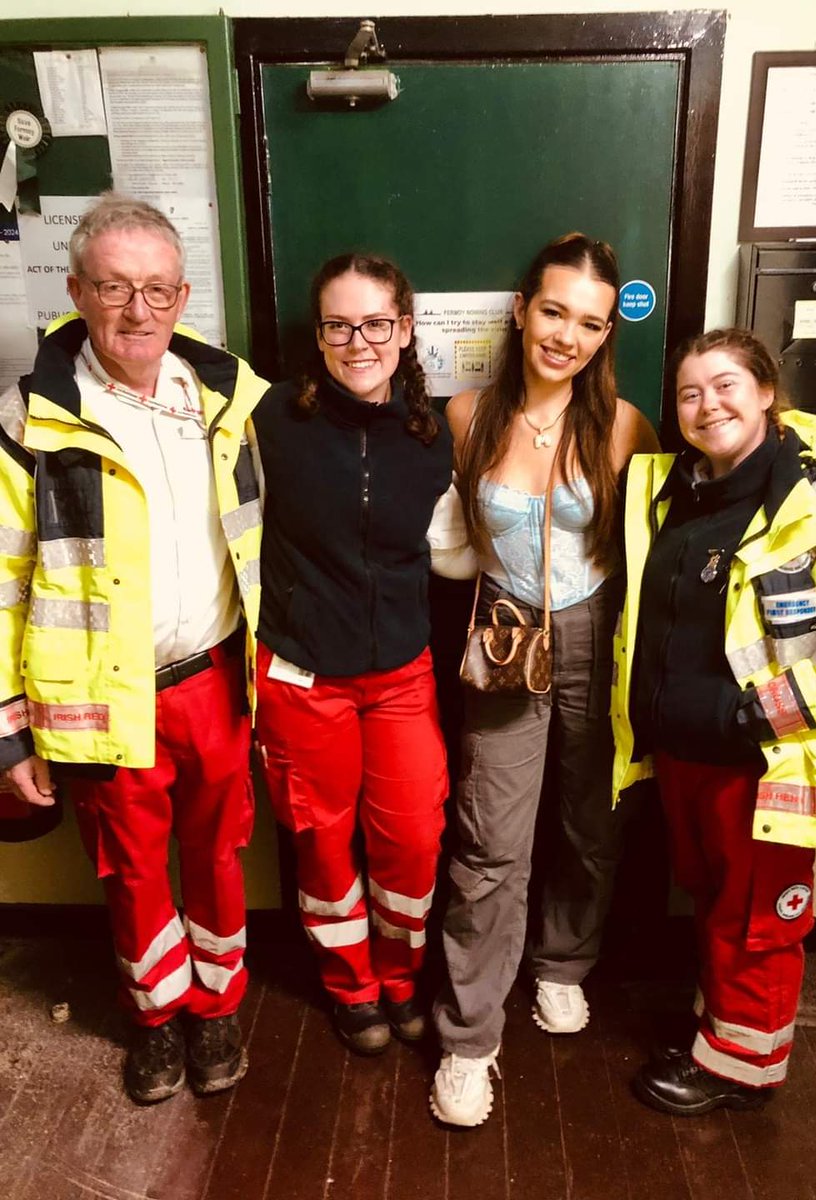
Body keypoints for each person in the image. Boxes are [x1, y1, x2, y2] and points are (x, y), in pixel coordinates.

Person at [0, 194, 270, 1104]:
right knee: (130, 868)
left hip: (218, 683)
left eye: (157, 288)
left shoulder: (230, 396)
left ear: (184, 294)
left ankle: (218, 1006)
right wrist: (8, 735)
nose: (137, 309)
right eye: (114, 286)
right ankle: (155, 1017)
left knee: (220, 856)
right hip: (102, 699)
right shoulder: (27, 419)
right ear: (76, 290)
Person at [612, 328, 816, 1115]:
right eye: (691, 393)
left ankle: (744, 1072)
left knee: (759, 920)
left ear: (767, 391)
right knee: (715, 903)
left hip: (766, 761)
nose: (709, 405)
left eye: (727, 384)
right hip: (681, 756)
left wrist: (757, 715)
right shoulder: (669, 492)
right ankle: (726, 1035)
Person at [429, 232, 658, 1127]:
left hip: (599, 634)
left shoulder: (627, 424)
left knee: (591, 820)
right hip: (505, 631)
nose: (567, 335)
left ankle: (563, 964)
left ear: (605, 336)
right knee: (489, 838)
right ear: (522, 309)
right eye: (554, 311)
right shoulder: (466, 415)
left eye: (590, 323)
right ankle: (469, 1036)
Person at [253, 253, 452, 1055]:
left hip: (402, 674)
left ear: (404, 330)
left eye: (376, 323)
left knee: (412, 836)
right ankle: (352, 989)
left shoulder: (434, 432)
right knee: (321, 840)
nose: (358, 341)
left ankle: (402, 979)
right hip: (302, 675)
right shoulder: (270, 420)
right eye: (340, 324)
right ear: (320, 333)